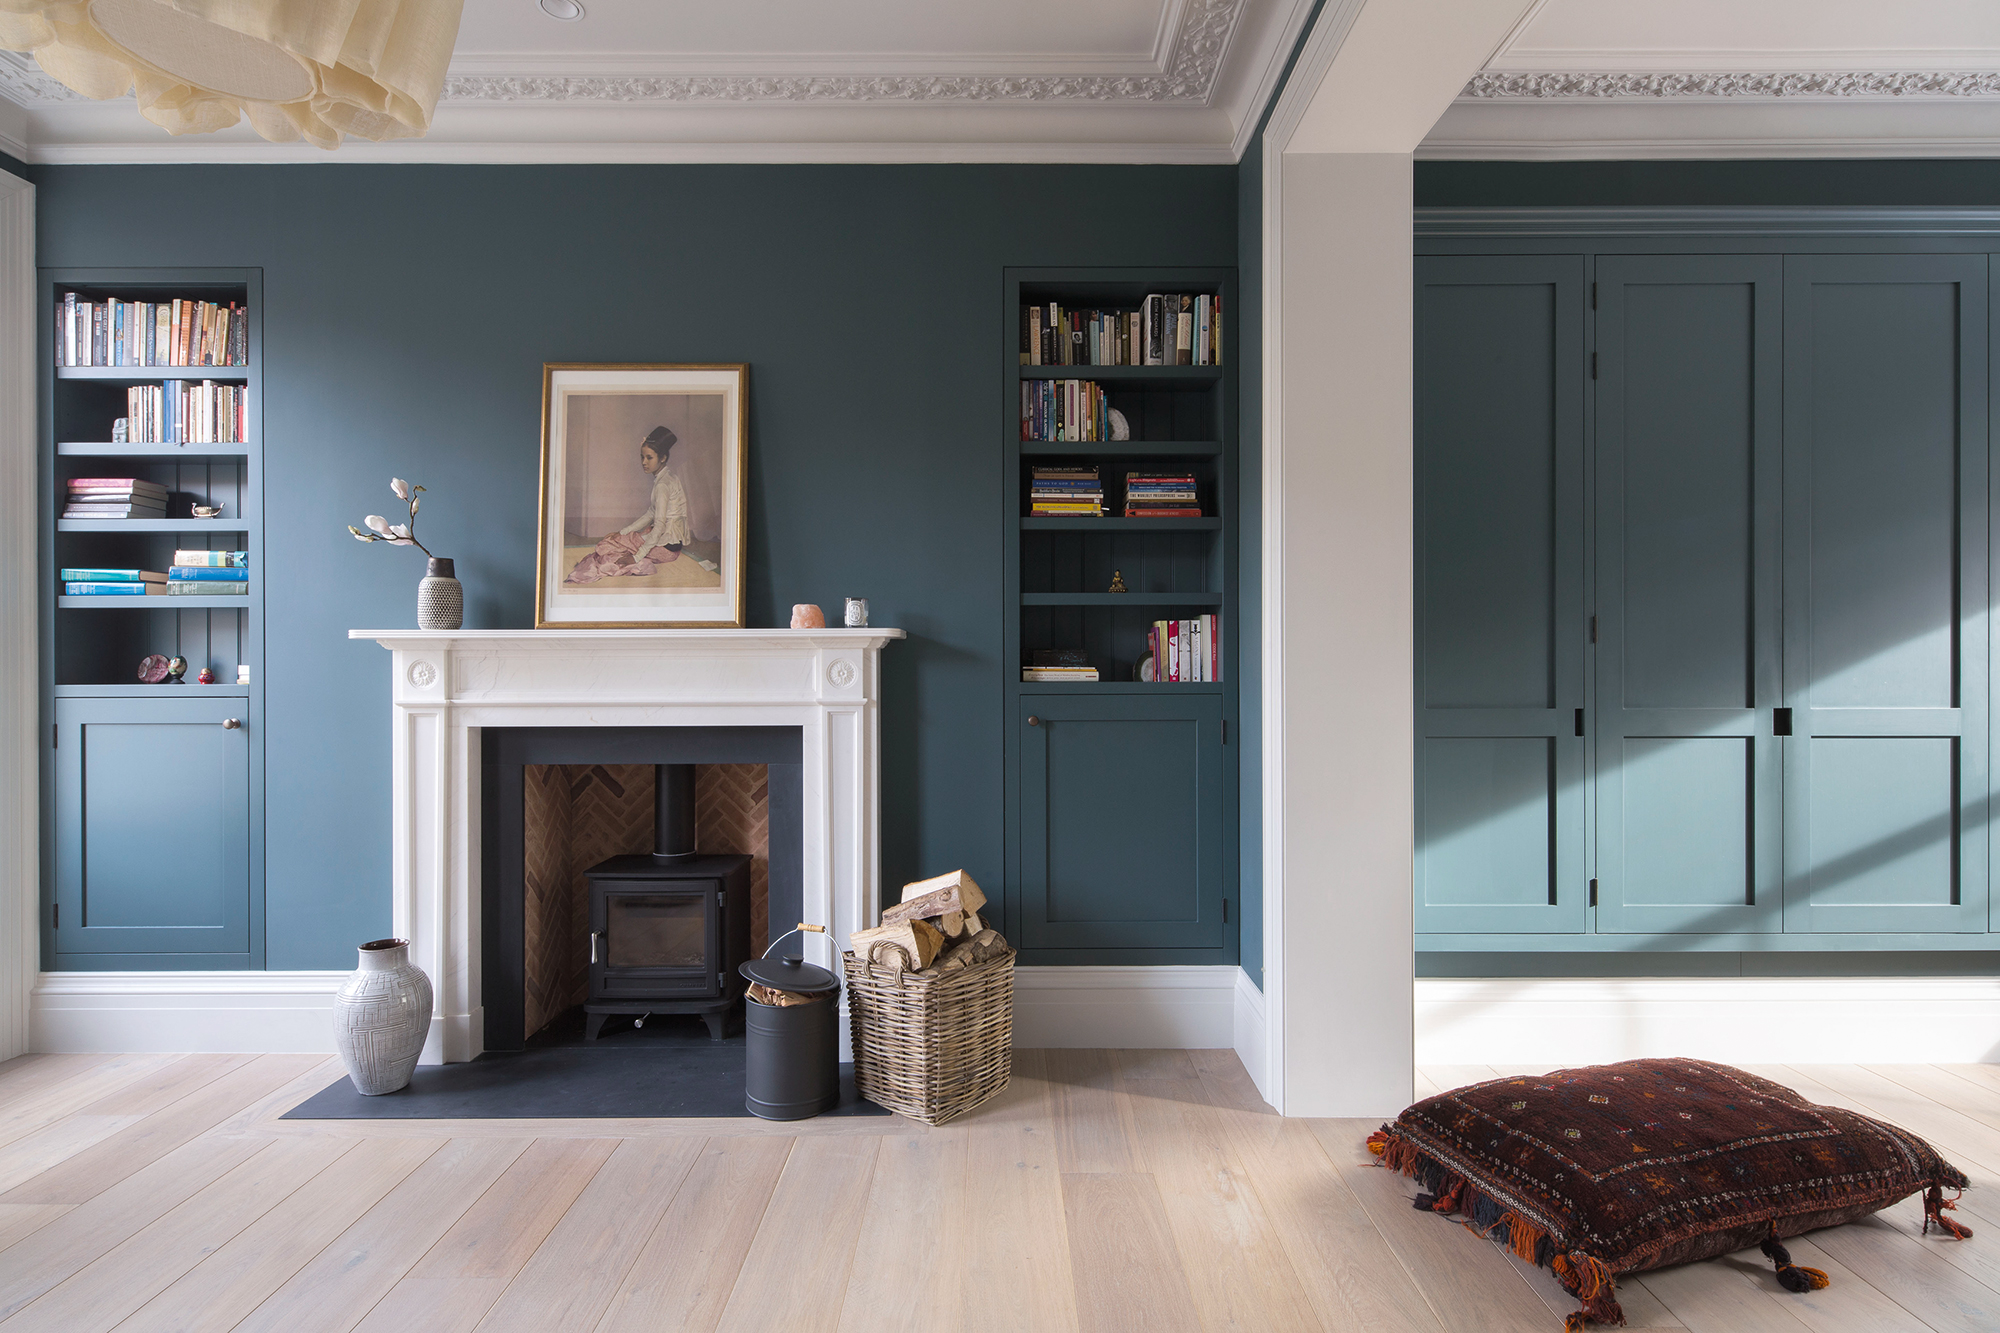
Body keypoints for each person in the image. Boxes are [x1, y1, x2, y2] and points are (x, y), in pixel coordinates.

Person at [565, 426, 693, 584]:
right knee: (618, 540)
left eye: (649, 458)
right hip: (671, 546)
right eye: (642, 457)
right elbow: (650, 514)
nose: (644, 463)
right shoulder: (668, 477)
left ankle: (629, 562)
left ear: (663, 458)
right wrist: (622, 532)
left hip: (665, 549)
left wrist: (635, 557)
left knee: (606, 546)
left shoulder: (662, 485)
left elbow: (659, 526)